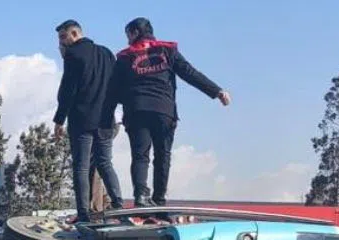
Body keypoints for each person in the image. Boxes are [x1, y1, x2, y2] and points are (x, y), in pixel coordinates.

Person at [112, 17, 231, 207]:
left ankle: (141, 196)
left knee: (140, 155)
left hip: (137, 110)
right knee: (163, 155)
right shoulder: (167, 50)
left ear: (135, 33)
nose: (127, 40)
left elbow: (113, 88)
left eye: (128, 35)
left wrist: (112, 108)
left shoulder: (125, 57)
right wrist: (217, 91)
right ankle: (159, 200)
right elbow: (190, 73)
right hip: (163, 110)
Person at [53, 19, 123, 223]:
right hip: (105, 118)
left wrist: (59, 120)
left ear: (75, 34)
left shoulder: (73, 55)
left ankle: (83, 213)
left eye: (63, 37)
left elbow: (68, 90)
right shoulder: (106, 53)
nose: (61, 42)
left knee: (81, 167)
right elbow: (116, 84)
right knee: (105, 162)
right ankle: (119, 204)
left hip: (82, 119)